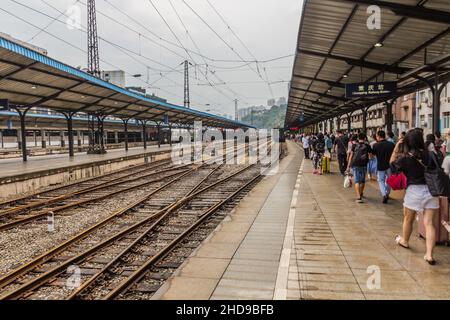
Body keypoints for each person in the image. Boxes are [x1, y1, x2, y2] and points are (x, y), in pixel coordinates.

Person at [392, 129, 440, 265]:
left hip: (414, 191)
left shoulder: (406, 158)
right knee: (429, 223)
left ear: (407, 141)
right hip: (431, 191)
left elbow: (392, 165)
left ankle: (405, 241)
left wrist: (397, 146)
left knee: (408, 219)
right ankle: (429, 255)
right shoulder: (431, 154)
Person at [347, 132, 372, 203]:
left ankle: (358, 197)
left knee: (357, 181)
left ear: (358, 138)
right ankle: (361, 193)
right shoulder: (367, 146)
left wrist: (348, 166)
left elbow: (351, 156)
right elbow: (371, 156)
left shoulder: (354, 145)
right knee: (362, 180)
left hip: (355, 164)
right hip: (364, 164)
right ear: (365, 138)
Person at [372, 130, 395, 203]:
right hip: (390, 165)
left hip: (380, 165)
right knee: (389, 180)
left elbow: (373, 155)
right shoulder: (391, 144)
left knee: (381, 180)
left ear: (378, 136)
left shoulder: (375, 145)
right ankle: (387, 193)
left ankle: (384, 194)